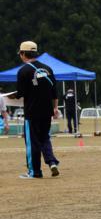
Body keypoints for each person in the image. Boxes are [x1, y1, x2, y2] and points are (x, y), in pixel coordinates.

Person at [15, 40, 60, 178]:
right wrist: (55, 108)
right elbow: (54, 92)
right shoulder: (48, 69)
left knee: (32, 142)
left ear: (23, 54)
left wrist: (11, 96)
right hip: (47, 112)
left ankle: (35, 172)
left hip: (32, 113)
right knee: (44, 138)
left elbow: (20, 93)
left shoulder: (23, 71)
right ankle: (52, 161)